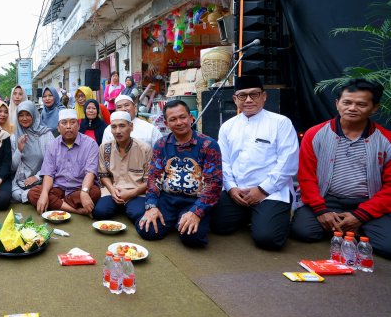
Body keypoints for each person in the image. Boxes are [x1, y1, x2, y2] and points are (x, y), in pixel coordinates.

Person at [292, 78, 391, 258]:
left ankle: (351, 226)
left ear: (374, 108)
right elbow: (306, 177)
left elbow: (390, 188)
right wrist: (321, 210)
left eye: (361, 104)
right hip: (327, 199)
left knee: (388, 246)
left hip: (368, 202)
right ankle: (350, 229)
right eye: (347, 102)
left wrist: (361, 215)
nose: (352, 108)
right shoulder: (315, 134)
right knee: (304, 232)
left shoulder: (386, 140)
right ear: (337, 104)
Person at [210, 76, 299, 250]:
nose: (249, 100)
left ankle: (265, 216)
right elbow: (223, 162)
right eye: (243, 96)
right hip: (237, 192)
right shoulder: (227, 126)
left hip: (271, 191)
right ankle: (252, 215)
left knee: (268, 239)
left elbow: (288, 163)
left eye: (254, 94)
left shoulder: (281, 123)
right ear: (235, 99)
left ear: (264, 96)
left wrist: (262, 190)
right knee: (216, 225)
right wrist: (231, 188)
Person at [138, 99, 222, 247]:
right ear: (166, 123)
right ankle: (175, 220)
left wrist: (196, 212)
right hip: (168, 198)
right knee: (147, 230)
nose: (179, 122)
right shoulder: (161, 145)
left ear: (191, 118)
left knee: (192, 238)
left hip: (194, 200)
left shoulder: (209, 145)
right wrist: (151, 206)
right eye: (173, 119)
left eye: (183, 117)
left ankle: (184, 220)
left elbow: (214, 185)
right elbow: (154, 178)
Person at [28, 109, 101, 215]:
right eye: (64, 123)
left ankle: (58, 204)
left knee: (94, 192)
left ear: (78, 125)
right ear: (58, 127)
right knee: (34, 193)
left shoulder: (91, 144)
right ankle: (75, 210)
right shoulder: (53, 145)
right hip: (58, 188)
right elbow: (48, 173)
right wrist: (44, 194)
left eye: (72, 122)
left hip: (79, 188)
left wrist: (84, 192)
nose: (68, 126)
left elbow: (90, 172)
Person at [93, 111, 153, 225]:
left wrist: (131, 193)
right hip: (113, 191)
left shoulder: (144, 149)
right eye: (114, 127)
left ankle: (127, 206)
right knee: (99, 213)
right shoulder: (105, 148)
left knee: (136, 214)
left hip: (136, 192)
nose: (118, 131)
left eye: (122, 126)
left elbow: (149, 181)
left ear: (131, 127)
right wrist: (112, 189)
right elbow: (103, 175)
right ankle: (119, 205)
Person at [11, 101, 54, 203]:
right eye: (21, 115)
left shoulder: (46, 134)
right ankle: (32, 196)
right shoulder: (14, 137)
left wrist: (37, 176)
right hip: (22, 181)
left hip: (44, 177)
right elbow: (12, 167)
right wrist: (19, 150)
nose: (24, 118)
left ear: (34, 115)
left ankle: (34, 195)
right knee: (16, 194)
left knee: (47, 190)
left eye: (28, 114)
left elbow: (53, 162)